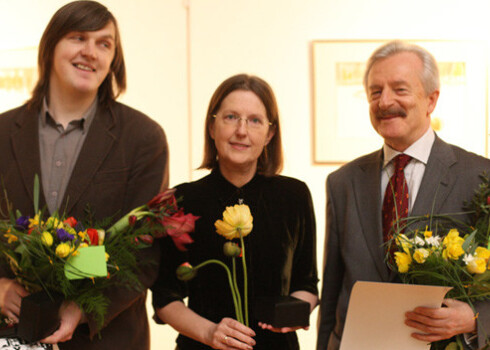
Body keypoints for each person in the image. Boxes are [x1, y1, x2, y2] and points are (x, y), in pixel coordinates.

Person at [0, 1, 168, 349]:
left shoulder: (143, 138)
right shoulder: (2, 133)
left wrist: (84, 309)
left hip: (107, 339)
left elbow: (145, 252)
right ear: (50, 48)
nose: (90, 52)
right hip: (11, 333)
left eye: (104, 43)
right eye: (78, 38)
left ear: (113, 60)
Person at [316, 40, 490, 350]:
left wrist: (476, 317)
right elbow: (332, 292)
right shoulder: (342, 183)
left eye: (400, 89)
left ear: (431, 99)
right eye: (375, 92)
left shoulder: (479, 177)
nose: (384, 102)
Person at [151, 74, 318, 349]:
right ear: (212, 127)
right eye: (231, 117)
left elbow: (308, 284)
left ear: (270, 134)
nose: (242, 131)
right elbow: (165, 298)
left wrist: (292, 315)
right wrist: (210, 333)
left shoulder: (294, 195)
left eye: (255, 120)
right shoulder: (181, 199)